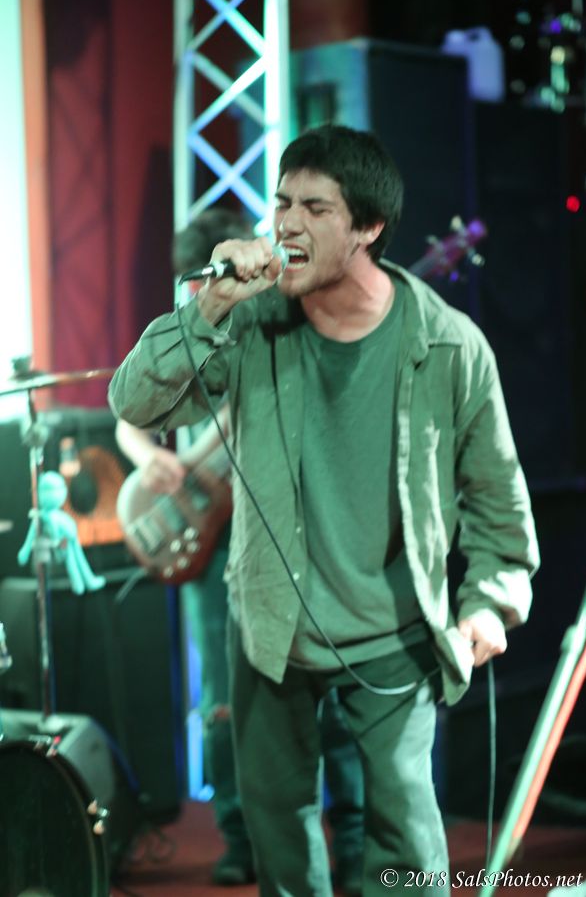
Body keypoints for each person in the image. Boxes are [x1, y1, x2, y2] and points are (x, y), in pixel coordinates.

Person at [109, 125, 540, 895]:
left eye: (315, 207)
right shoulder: (251, 321)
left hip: (395, 634)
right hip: (272, 629)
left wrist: (488, 604)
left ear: (368, 227)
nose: (287, 224)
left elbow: (499, 507)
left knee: (406, 849)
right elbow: (134, 400)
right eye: (281, 203)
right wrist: (212, 303)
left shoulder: (450, 345)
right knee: (279, 840)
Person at [115, 206, 364, 893]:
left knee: (329, 682)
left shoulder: (279, 313)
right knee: (223, 696)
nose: (199, 291)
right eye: (192, 282)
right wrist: (152, 460)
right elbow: (130, 413)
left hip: (281, 521)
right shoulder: (195, 317)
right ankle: (237, 835)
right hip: (207, 529)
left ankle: (352, 841)